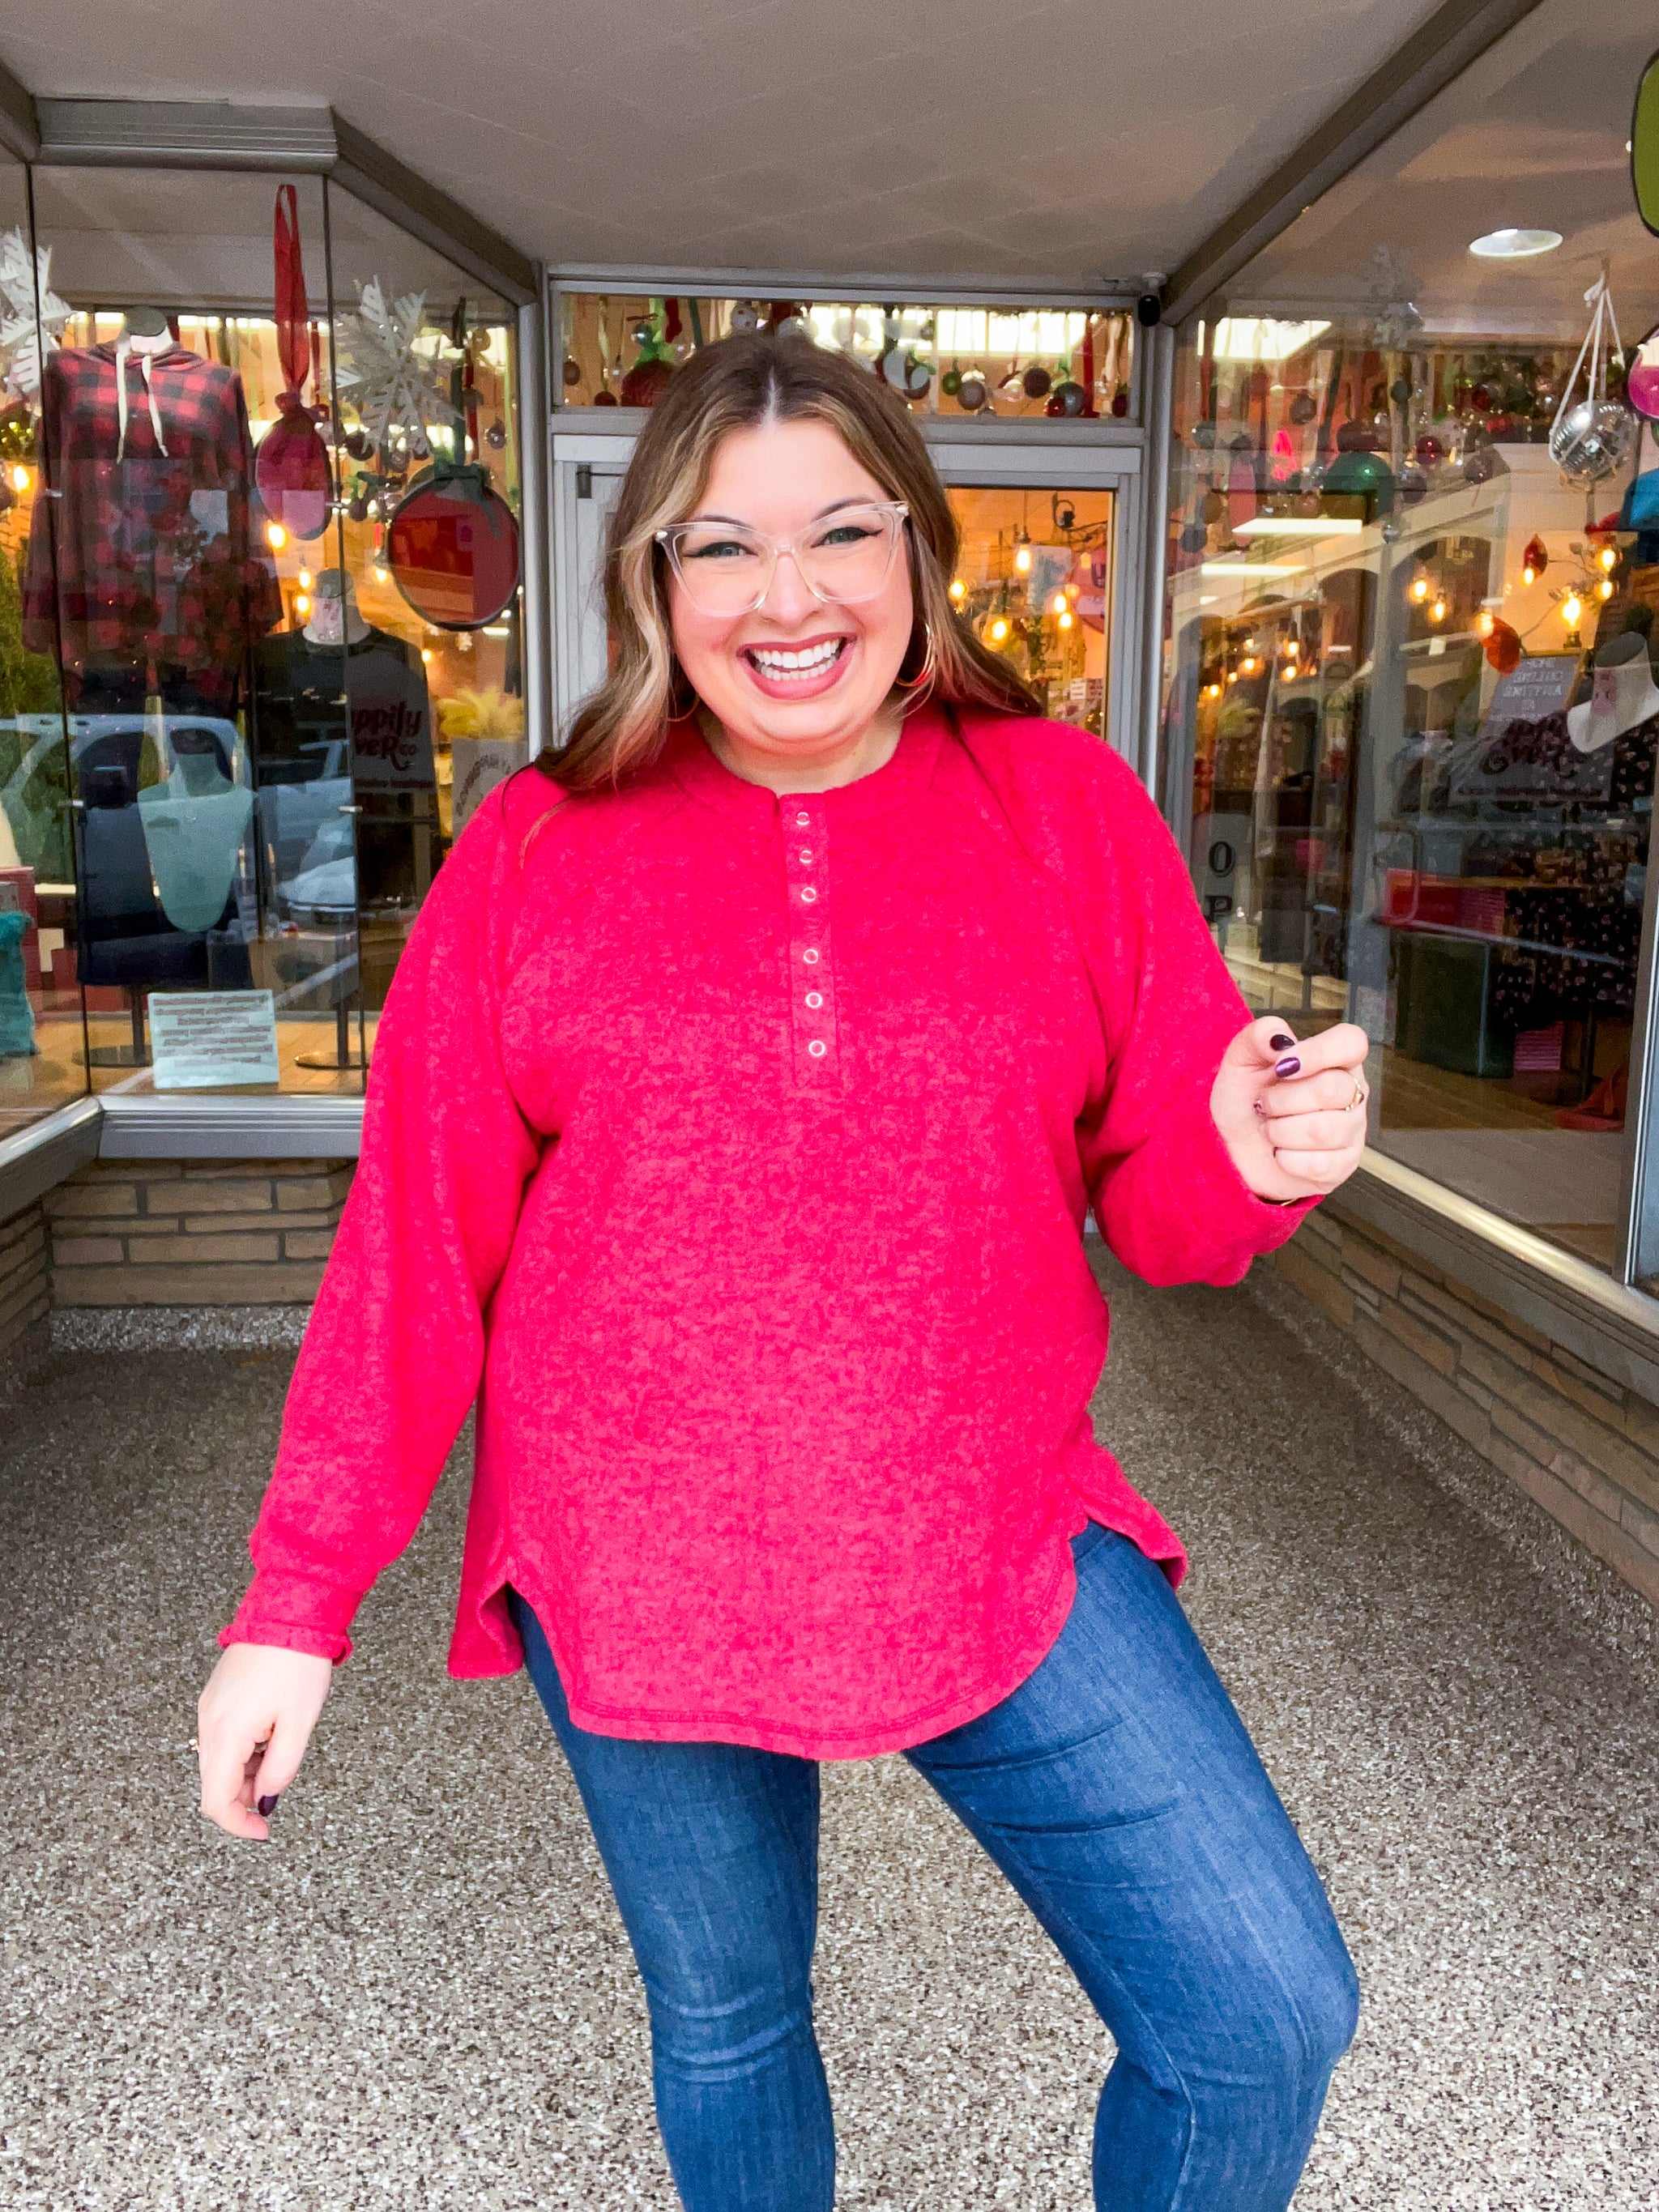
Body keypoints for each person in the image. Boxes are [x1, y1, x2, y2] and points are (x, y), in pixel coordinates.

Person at [197, 332, 1370, 2211]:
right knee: (732, 2024)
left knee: (1260, 2009)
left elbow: (1165, 1208)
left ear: (917, 548)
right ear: (653, 580)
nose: (789, 596)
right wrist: (295, 1598)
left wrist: (1246, 1153)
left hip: (991, 1518)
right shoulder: (536, 849)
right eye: (722, 546)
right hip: (634, 1550)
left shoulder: (1059, 807)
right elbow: (413, 1245)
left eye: (839, 531)